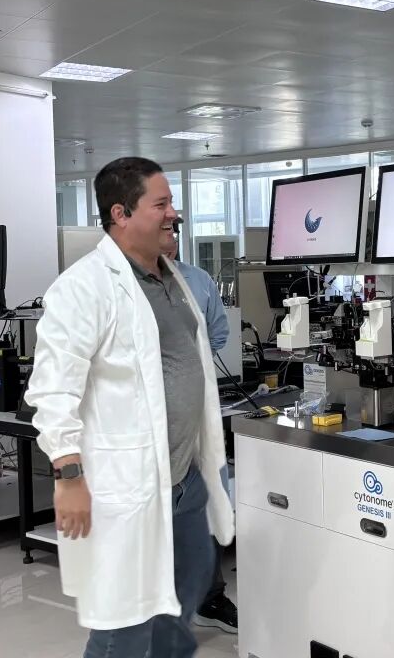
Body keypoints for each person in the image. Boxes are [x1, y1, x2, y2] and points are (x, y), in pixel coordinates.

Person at [26, 157, 233, 658]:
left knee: (181, 602)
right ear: (120, 213)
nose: (173, 214)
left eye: (172, 203)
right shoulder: (84, 287)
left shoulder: (175, 279)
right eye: (161, 204)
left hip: (184, 482)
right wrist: (69, 476)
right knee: (123, 624)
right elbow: (52, 392)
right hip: (127, 486)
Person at [160, 219, 238, 635]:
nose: (169, 240)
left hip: (196, 411)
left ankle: (210, 596)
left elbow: (219, 332)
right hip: (152, 418)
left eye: (173, 232)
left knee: (204, 499)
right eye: (161, 230)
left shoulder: (199, 280)